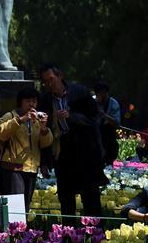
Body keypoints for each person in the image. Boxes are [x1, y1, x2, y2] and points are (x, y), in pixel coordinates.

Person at [39, 63, 108, 221]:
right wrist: (44, 161)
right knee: (66, 198)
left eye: (51, 79)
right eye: (45, 82)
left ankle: (95, 236)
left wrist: (72, 117)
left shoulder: (80, 92)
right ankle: (67, 239)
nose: (49, 84)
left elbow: (94, 117)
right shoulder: (45, 99)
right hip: (62, 153)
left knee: (90, 196)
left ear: (60, 76)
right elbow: (42, 133)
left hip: (85, 152)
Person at [0, 87, 53, 211]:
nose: (31, 104)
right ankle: (12, 230)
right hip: (13, 168)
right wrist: (21, 120)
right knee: (15, 207)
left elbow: (45, 143)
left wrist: (44, 129)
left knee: (25, 206)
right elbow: (1, 132)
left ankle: (21, 230)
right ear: (20, 102)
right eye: (28, 101)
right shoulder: (10, 116)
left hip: (31, 169)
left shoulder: (37, 120)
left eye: (34, 101)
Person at [94, 81, 121, 166]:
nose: (101, 95)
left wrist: (104, 115)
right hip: (95, 134)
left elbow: (117, 124)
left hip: (108, 135)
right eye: (99, 93)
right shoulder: (92, 102)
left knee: (110, 154)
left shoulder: (113, 103)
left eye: (103, 93)